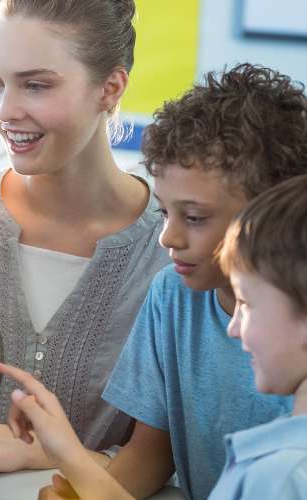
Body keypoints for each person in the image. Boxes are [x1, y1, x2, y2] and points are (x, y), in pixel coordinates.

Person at [0, 0, 168, 474]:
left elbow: (162, 460)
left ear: (110, 87)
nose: (5, 110)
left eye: (36, 85)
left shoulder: (171, 250)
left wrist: (40, 451)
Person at [0, 174, 307, 500]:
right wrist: (70, 459)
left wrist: (71, 460)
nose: (233, 327)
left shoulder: (277, 476)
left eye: (248, 304)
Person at [100, 63, 307, 499]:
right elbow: (152, 453)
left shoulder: (291, 329)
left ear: (272, 213)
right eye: (165, 212)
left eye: (194, 218)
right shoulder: (171, 295)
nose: (168, 237)